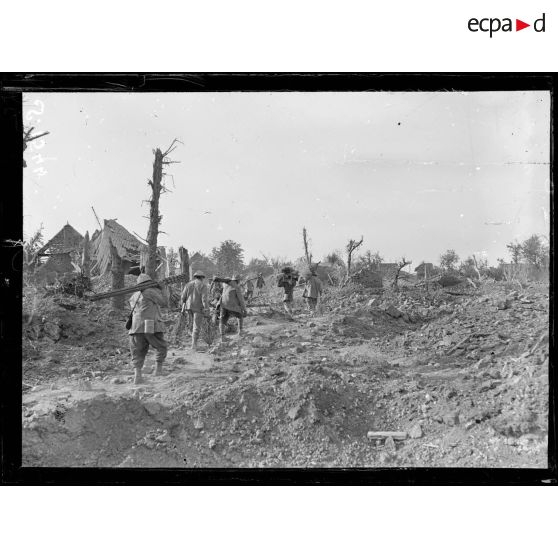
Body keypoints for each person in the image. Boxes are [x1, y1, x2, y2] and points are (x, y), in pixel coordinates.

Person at [128, 273, 169, 385]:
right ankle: (158, 370)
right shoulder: (150, 292)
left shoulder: (134, 296)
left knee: (138, 351)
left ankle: (138, 376)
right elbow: (164, 303)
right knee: (161, 346)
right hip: (151, 325)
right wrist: (163, 289)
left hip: (135, 328)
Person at [181, 270, 210, 350]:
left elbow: (183, 297)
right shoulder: (203, 285)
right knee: (196, 326)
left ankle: (191, 341)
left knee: (190, 324)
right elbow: (204, 299)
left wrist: (183, 306)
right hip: (198, 308)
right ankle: (194, 345)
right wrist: (207, 309)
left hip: (188, 307)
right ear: (202, 277)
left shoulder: (188, 284)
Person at [219, 274, 247, 342]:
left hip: (223, 305)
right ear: (238, 280)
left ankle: (222, 337)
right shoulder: (236, 287)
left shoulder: (225, 286)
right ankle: (240, 331)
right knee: (240, 315)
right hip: (232, 306)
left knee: (222, 320)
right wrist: (244, 309)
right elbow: (241, 299)